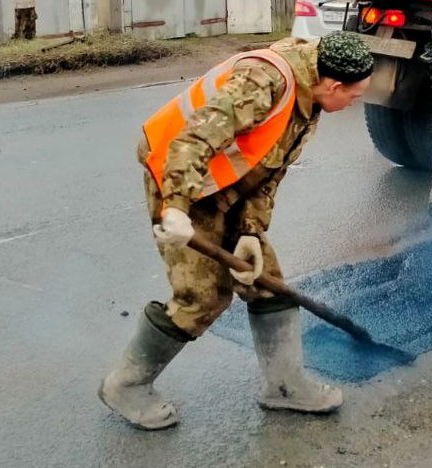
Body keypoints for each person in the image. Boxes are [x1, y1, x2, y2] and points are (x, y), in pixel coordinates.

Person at [99, 32, 375, 431]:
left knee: (265, 280)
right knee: (202, 295)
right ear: (334, 85)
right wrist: (174, 208)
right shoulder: (262, 84)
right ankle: (126, 385)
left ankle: (284, 386)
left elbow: (268, 170)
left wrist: (250, 230)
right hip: (179, 176)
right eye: (355, 95)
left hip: (221, 183)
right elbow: (190, 142)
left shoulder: (309, 96)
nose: (355, 102)